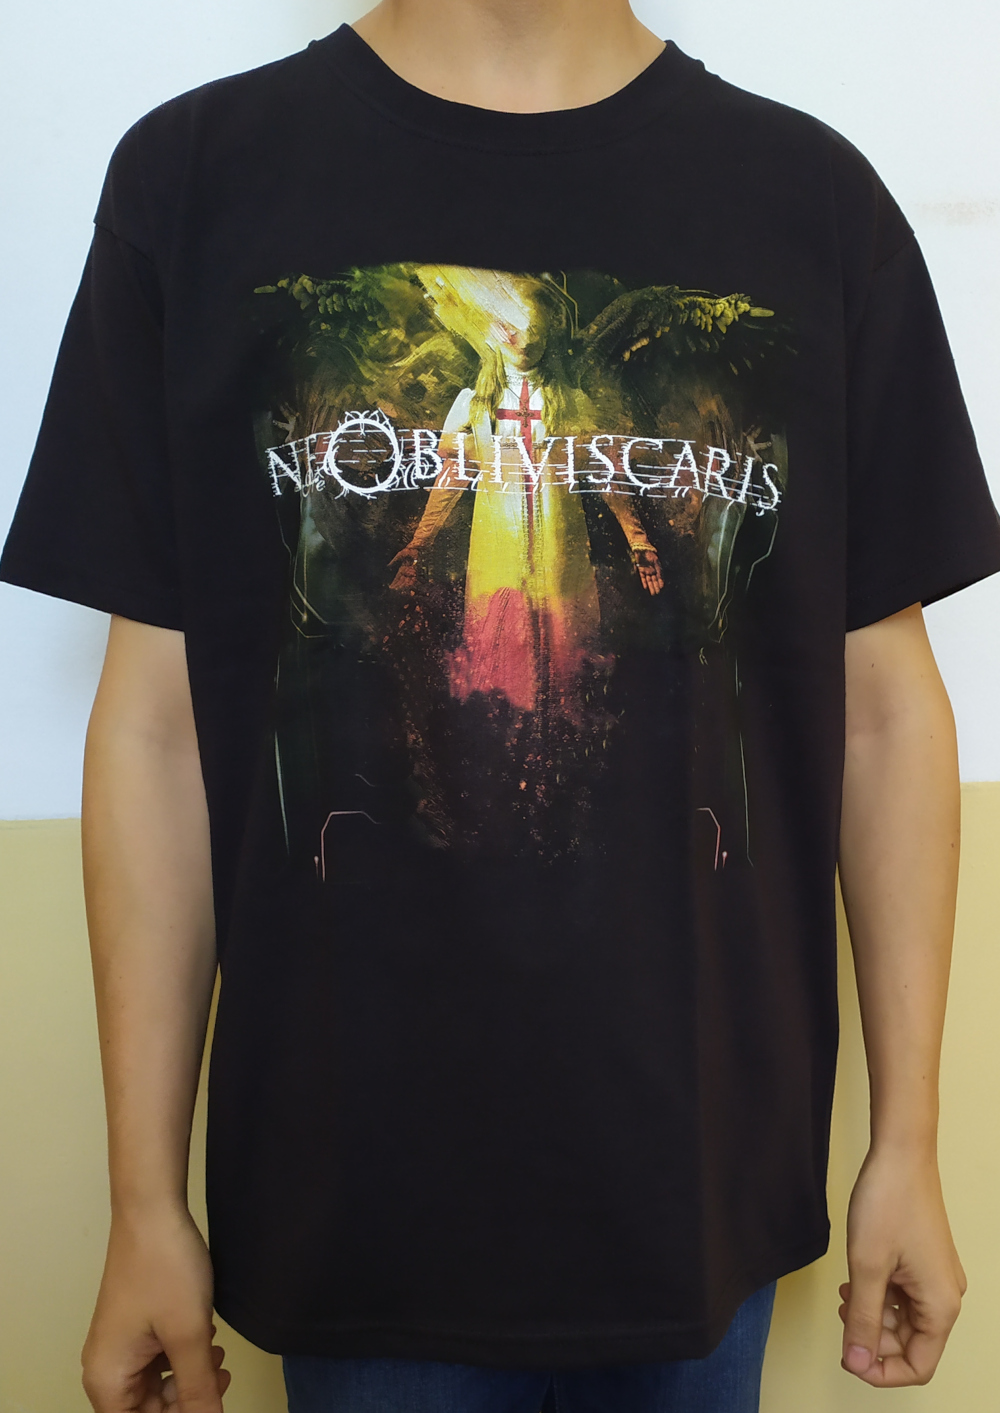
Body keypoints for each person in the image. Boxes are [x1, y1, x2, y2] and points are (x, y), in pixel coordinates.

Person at [2, 0, 998, 1409]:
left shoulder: (811, 205)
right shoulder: (199, 182)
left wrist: (907, 1143)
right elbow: (160, 727)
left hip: (695, 1197)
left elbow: (885, 714)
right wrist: (143, 1201)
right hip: (352, 1203)